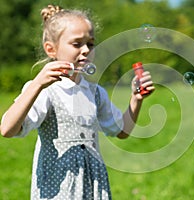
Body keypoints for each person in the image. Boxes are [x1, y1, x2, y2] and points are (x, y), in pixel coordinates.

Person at [0, 4, 155, 200]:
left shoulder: (95, 92)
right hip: (57, 189)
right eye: (76, 44)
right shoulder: (45, 90)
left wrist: (136, 99)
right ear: (51, 49)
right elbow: (7, 129)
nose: (85, 50)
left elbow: (122, 131)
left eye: (90, 44)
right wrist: (37, 84)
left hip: (93, 187)